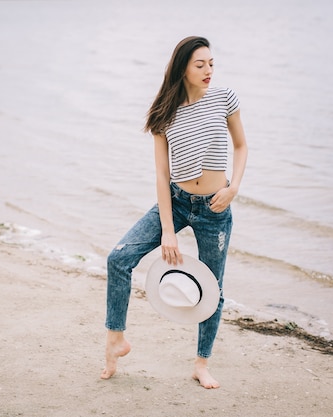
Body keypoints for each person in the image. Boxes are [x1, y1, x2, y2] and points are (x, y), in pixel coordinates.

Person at [101, 36, 248, 389]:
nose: (208, 70)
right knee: (118, 258)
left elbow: (241, 146)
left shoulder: (225, 99)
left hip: (215, 207)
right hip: (177, 201)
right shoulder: (165, 111)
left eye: (211, 63)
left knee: (213, 288)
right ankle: (115, 339)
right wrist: (168, 230)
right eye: (200, 65)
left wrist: (233, 188)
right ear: (182, 67)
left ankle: (201, 363)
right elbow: (162, 175)